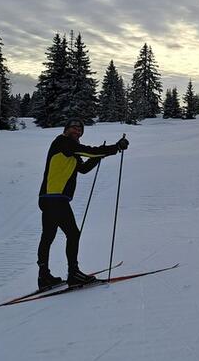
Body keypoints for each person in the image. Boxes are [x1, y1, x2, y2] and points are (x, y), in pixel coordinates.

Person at [36, 118, 129, 289]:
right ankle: (74, 274)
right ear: (66, 129)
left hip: (49, 198)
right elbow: (89, 151)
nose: (77, 131)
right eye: (74, 128)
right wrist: (114, 148)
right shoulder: (63, 142)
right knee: (73, 234)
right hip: (55, 198)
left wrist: (99, 156)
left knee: (48, 236)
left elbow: (84, 169)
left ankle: (44, 277)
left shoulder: (71, 150)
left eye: (80, 130)